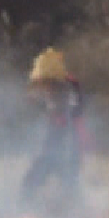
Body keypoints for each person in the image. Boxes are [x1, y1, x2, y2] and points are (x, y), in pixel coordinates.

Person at [20, 47, 90, 205]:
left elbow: (60, 119)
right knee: (68, 186)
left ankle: (24, 210)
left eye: (43, 81)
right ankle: (77, 215)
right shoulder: (68, 86)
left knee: (32, 183)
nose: (41, 85)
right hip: (68, 146)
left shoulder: (60, 90)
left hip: (63, 147)